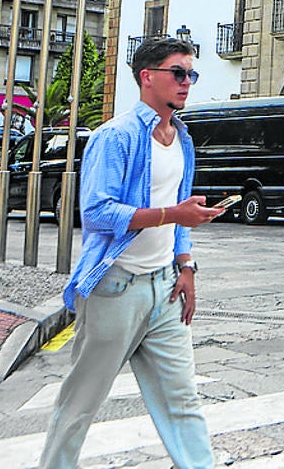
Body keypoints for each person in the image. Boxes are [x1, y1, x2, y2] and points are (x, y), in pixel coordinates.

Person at [38, 37, 223, 469]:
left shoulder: (182, 139)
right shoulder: (115, 136)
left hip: (164, 289)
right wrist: (170, 213)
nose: (186, 83)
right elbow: (98, 213)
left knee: (182, 399)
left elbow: (179, 211)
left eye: (191, 75)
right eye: (178, 73)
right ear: (148, 77)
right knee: (82, 400)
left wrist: (186, 263)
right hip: (114, 289)